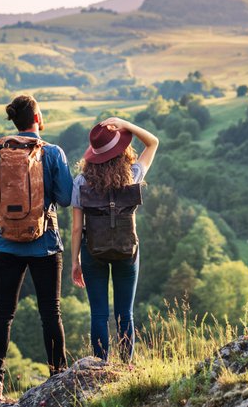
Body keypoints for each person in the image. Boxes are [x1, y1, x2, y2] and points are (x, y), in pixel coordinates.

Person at [0, 95, 73, 403]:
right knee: (51, 312)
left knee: (3, 313)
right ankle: (58, 375)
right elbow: (68, 197)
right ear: (37, 118)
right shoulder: (53, 153)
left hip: (6, 244)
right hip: (44, 243)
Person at [70, 117, 158, 363]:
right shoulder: (133, 175)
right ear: (122, 151)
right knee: (125, 313)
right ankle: (127, 365)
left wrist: (75, 262)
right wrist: (125, 124)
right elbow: (153, 143)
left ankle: (100, 365)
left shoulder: (81, 182)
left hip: (92, 252)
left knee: (98, 313)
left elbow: (77, 229)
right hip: (127, 251)